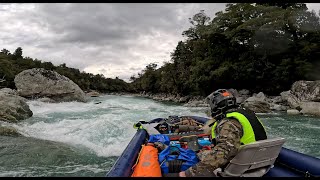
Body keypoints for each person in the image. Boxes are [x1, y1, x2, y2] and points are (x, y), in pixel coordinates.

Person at [179, 89, 267, 177]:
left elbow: (222, 154)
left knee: (200, 154)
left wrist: (190, 173)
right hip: (257, 161)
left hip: (240, 165)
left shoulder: (229, 122)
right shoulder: (248, 115)